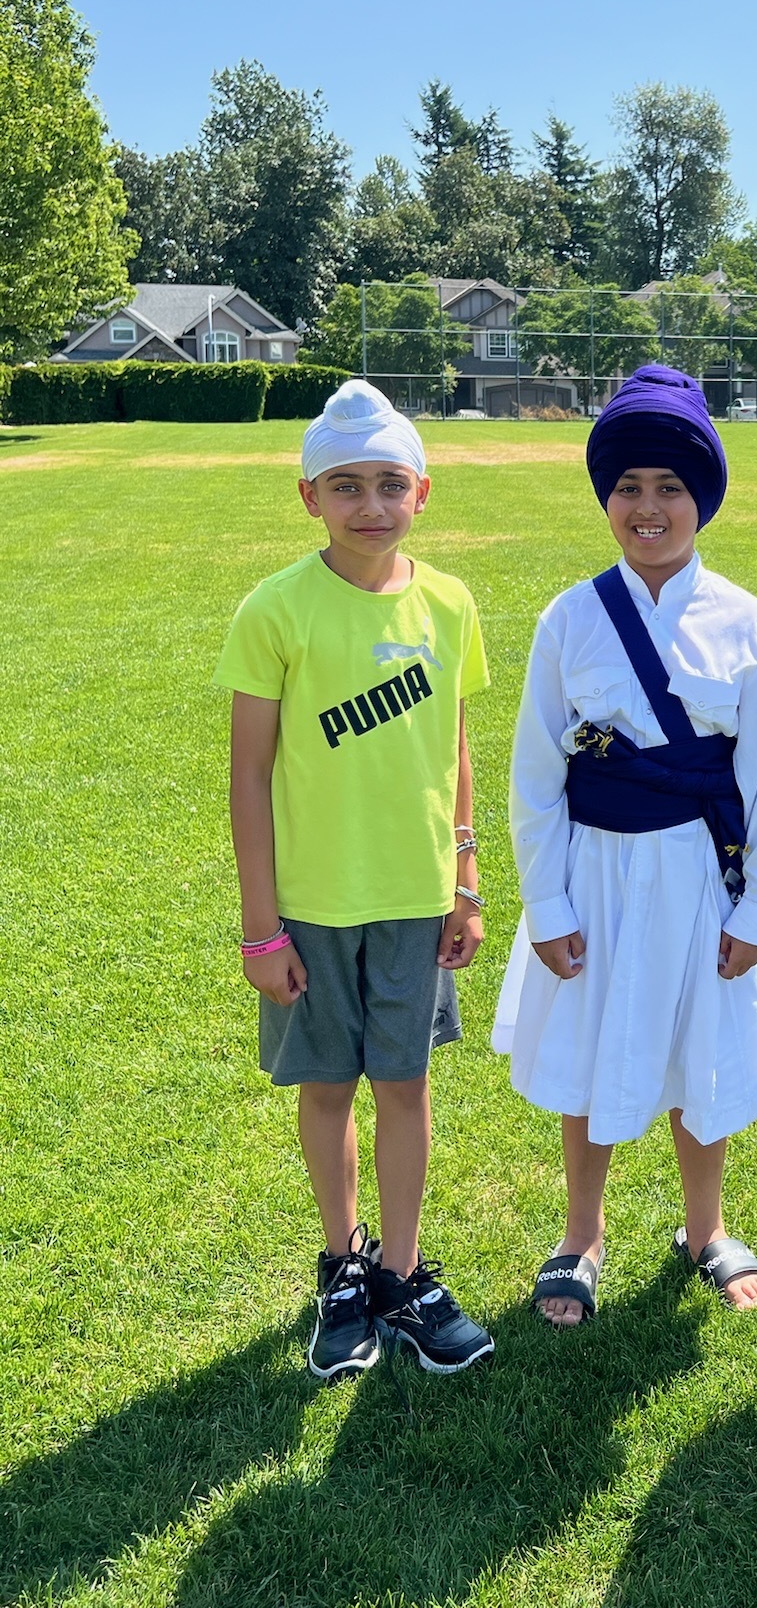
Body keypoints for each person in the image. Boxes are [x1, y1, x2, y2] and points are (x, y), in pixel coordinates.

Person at [492, 366, 757, 1326]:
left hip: (702, 874)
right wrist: (547, 904)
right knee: (592, 1047)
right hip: (597, 875)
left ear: (703, 497)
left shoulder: (747, 623)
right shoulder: (569, 619)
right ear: (605, 497)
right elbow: (536, 778)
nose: (648, 507)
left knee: (699, 1049)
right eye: (627, 486)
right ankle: (581, 1233)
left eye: (670, 487)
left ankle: (706, 1228)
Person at [216, 379, 495, 1379]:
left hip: (417, 899)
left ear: (423, 490)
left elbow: (453, 743)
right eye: (346, 486)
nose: (370, 505)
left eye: (389, 483)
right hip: (315, 907)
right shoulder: (276, 609)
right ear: (310, 497)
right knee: (330, 1086)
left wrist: (465, 876)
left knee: (406, 1085)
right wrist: (262, 927)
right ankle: (344, 1268)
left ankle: (403, 1275)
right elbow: (250, 776)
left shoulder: (448, 602)